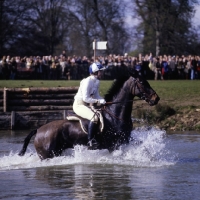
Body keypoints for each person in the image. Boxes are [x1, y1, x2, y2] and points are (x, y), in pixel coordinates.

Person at [73, 62, 106, 149]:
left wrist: (103, 100)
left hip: (85, 105)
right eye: (101, 71)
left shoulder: (97, 82)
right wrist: (98, 101)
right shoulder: (87, 81)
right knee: (94, 118)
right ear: (95, 72)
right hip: (79, 105)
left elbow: (96, 95)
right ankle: (90, 141)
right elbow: (85, 99)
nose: (102, 73)